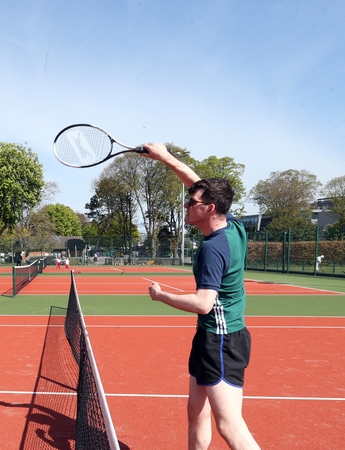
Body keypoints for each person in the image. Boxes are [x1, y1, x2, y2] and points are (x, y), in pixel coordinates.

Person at [142, 143, 261, 450]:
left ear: (209, 208)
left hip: (221, 341)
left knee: (229, 425)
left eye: (191, 202)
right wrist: (165, 158)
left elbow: (203, 304)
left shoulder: (213, 248)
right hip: (210, 337)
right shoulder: (233, 226)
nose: (186, 205)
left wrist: (162, 296)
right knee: (196, 411)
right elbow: (195, 181)